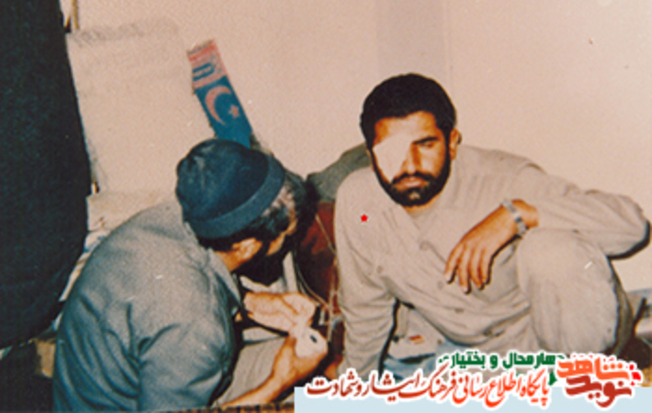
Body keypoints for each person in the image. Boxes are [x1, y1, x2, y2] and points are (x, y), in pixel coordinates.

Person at [334, 73, 649, 379]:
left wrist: (517, 216)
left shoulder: (502, 178)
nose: (410, 165)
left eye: (426, 145)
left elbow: (632, 226)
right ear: (370, 155)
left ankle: (589, 379)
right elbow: (365, 312)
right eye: (391, 151)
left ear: (452, 142)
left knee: (550, 249)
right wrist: (352, 392)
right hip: (485, 358)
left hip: (572, 337)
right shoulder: (360, 204)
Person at [53, 139, 327, 411]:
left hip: (103, 388)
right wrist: (279, 381)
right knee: (311, 399)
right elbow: (184, 312)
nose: (287, 241)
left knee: (321, 377)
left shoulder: (175, 215)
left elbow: (172, 294)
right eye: (286, 235)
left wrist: (251, 303)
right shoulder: (195, 319)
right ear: (246, 246)